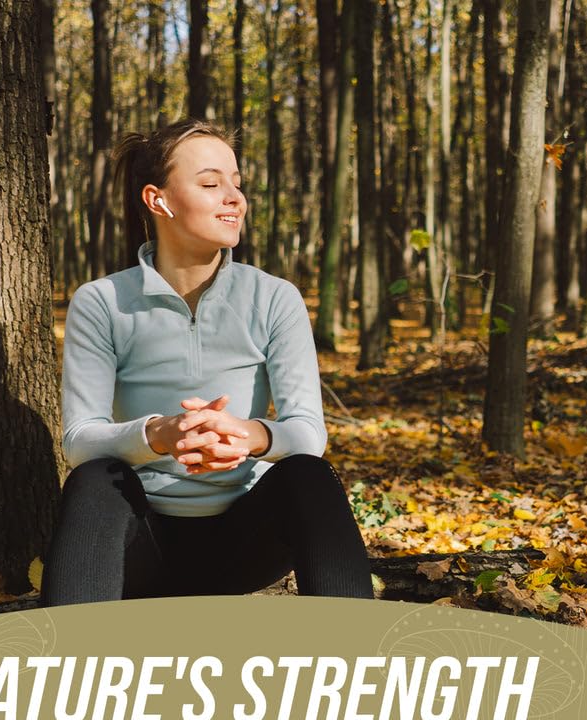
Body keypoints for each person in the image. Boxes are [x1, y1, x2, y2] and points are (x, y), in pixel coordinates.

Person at [40, 119, 374, 605]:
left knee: (309, 475)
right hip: (140, 545)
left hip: (243, 543)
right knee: (95, 480)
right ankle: (66, 670)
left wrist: (248, 435)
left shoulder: (275, 298)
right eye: (212, 183)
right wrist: (160, 434)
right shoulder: (102, 301)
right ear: (159, 201)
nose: (234, 197)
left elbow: (308, 432)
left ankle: (356, 660)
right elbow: (80, 441)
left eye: (237, 184)